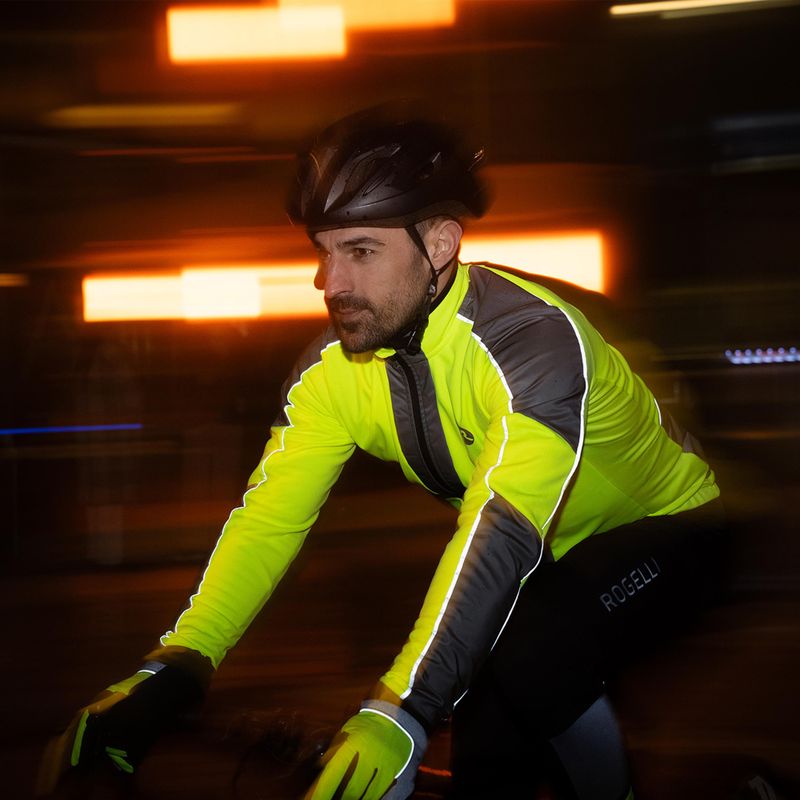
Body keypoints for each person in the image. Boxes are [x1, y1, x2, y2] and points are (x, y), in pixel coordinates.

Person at [38, 106, 725, 800]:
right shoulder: (332, 372)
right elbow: (269, 520)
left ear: (441, 243)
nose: (329, 282)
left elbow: (501, 532)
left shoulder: (531, 342)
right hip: (544, 562)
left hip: (669, 531)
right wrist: (177, 666)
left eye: (361, 251)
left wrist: (401, 708)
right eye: (323, 251)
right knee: (486, 763)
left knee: (528, 656)